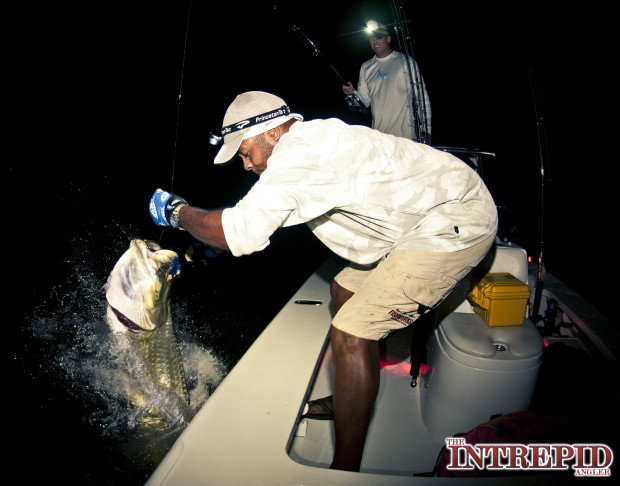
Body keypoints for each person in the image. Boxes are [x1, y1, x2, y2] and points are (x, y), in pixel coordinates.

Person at [149, 91, 497, 472]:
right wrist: (203, 249)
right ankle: (348, 396)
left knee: (350, 332)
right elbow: (265, 221)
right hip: (422, 216)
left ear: (272, 133)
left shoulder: (298, 159)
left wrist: (178, 214)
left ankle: (344, 470)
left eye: (245, 151)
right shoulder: (308, 140)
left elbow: (239, 231)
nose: (245, 164)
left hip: (453, 225)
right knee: (342, 289)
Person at [342, 22, 431, 143]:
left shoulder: (406, 62)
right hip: (379, 138)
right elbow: (364, 101)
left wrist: (427, 131)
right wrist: (352, 94)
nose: (375, 41)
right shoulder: (366, 67)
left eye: (379, 37)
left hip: (406, 139)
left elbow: (422, 99)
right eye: (371, 38)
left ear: (388, 39)